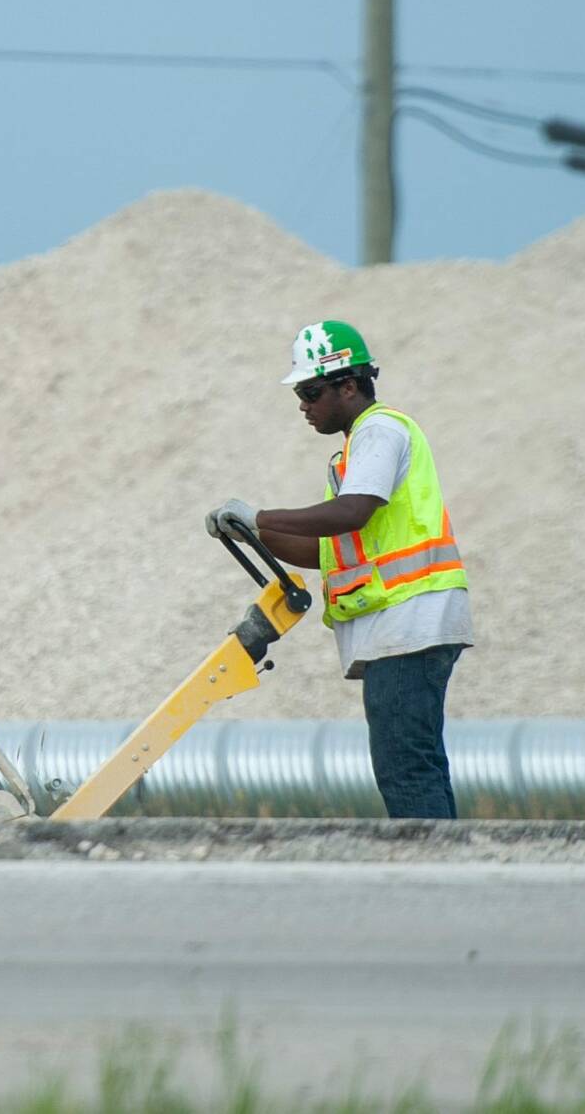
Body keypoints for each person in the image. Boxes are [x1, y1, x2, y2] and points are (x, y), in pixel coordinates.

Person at [207, 320, 472, 819]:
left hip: (409, 622)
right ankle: (444, 873)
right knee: (414, 765)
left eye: (310, 391)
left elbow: (353, 512)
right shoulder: (358, 447)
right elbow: (326, 549)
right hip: (402, 625)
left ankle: (433, 880)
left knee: (406, 770)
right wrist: (255, 534)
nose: (303, 406)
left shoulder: (380, 430)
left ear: (348, 385)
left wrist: (260, 517)